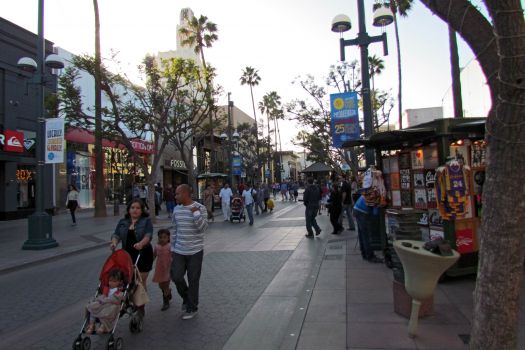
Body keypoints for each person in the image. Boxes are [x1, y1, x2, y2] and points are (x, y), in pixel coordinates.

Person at [171, 184, 208, 320]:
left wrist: (195, 213)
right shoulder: (176, 210)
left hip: (195, 251)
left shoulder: (200, 208)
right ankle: (187, 298)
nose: (175, 196)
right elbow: (175, 230)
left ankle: (192, 307)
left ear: (185, 194)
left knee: (193, 280)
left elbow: (203, 228)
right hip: (179, 251)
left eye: (177, 194)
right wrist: (172, 249)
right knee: (176, 277)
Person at [110, 199, 154, 315]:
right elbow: (116, 234)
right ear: (129, 210)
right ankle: (127, 301)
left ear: (142, 210)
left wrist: (141, 244)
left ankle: (140, 306)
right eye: (132, 208)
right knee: (127, 281)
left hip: (143, 254)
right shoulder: (123, 222)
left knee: (140, 281)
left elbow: (148, 235)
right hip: (127, 255)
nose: (135, 210)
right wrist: (114, 242)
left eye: (138, 208)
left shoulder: (146, 221)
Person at [85, 268, 125, 335]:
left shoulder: (119, 291)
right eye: (110, 281)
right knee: (92, 307)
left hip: (112, 305)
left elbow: (116, 299)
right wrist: (99, 299)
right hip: (103, 303)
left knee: (108, 311)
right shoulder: (106, 289)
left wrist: (104, 300)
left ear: (120, 282)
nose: (111, 283)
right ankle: (91, 325)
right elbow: (102, 296)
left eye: (114, 281)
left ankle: (103, 326)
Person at [353, 195, 382, 263]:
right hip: (361, 212)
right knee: (366, 235)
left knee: (361, 234)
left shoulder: (370, 192)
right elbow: (375, 213)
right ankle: (370, 256)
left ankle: (364, 254)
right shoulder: (376, 196)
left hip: (356, 209)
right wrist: (379, 207)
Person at [153, 229, 172, 311]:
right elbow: (153, 256)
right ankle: (168, 292)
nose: (162, 239)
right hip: (159, 269)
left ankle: (166, 302)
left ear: (168, 238)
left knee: (166, 285)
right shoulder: (157, 247)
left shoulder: (170, 246)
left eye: (164, 237)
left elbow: (174, 256)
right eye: (160, 237)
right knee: (161, 285)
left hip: (168, 269)